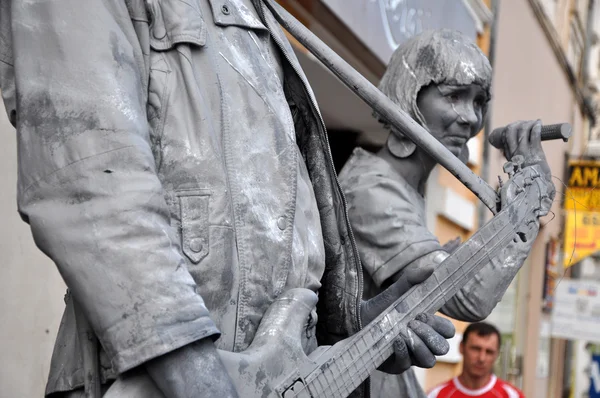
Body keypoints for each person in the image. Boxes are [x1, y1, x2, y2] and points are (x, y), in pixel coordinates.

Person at [0, 1, 454, 397]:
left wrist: (358, 325)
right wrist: (204, 382)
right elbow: (92, 183)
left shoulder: (260, 16)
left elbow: (272, 238)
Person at [338, 29, 554, 397]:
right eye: (454, 96)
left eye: (479, 101)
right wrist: (530, 196)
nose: (470, 118)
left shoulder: (405, 188)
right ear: (410, 97)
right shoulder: (371, 188)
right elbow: (469, 297)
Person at [427, 322, 524, 398]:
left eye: (489, 352)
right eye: (476, 349)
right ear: (461, 347)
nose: (481, 358)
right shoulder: (436, 395)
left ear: (497, 354)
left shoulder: (511, 395)